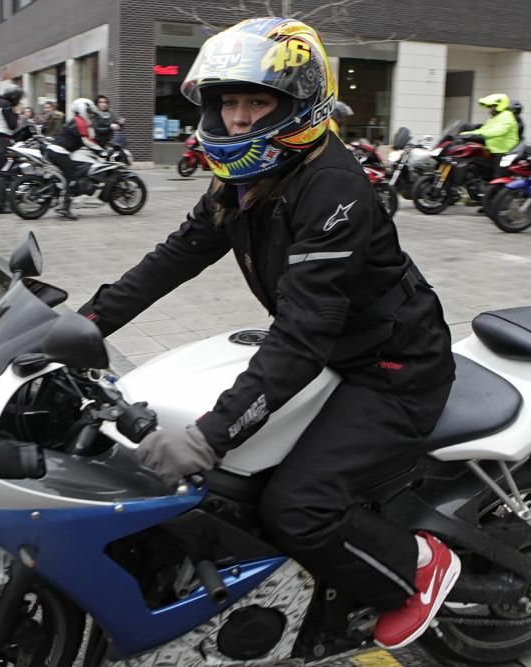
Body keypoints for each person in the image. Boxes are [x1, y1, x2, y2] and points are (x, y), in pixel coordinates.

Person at [76, 17, 460, 650]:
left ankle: (418, 568)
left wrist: (207, 437)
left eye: (257, 101)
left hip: (392, 368)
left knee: (296, 508)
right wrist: (83, 324)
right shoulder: (244, 180)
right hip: (333, 349)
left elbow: (303, 336)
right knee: (235, 487)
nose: (239, 117)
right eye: (229, 101)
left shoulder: (333, 187)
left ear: (297, 103)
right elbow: (175, 256)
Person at [44, 97, 102, 220]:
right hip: (59, 152)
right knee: (72, 178)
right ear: (83, 109)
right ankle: (64, 208)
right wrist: (101, 151)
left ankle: (61, 201)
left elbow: (88, 140)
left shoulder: (76, 120)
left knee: (67, 176)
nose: (91, 115)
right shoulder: (79, 121)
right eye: (89, 112)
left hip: (55, 151)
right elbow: (86, 141)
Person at [0, 86, 23, 214]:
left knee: (0, 173)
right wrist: (17, 112)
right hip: (2, 141)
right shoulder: (7, 105)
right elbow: (12, 125)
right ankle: (0, 206)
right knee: (4, 174)